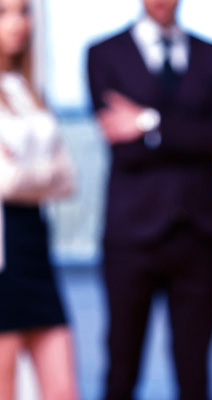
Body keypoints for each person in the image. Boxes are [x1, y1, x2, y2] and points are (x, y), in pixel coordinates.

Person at [86, 0, 212, 398]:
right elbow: (125, 149)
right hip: (130, 234)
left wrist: (148, 122)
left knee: (195, 370)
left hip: (198, 230)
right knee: (122, 365)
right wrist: (191, 135)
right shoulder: (104, 54)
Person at [0, 0, 79, 398]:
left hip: (35, 247)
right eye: (3, 12)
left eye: (24, 11)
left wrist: (25, 175)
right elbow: (5, 182)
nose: (18, 23)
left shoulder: (29, 91)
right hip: (3, 255)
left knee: (63, 387)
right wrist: (41, 174)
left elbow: (68, 179)